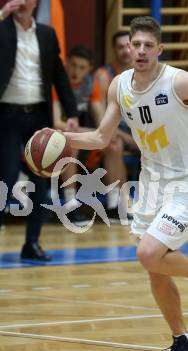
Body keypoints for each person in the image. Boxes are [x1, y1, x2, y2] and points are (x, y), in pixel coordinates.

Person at [43, 16, 188, 351]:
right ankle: (183, 339)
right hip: (150, 183)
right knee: (156, 268)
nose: (142, 51)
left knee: (148, 253)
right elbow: (102, 137)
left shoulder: (178, 82)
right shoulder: (120, 85)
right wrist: (61, 137)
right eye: (137, 45)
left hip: (187, 181)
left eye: (149, 45)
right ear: (128, 48)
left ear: (159, 50)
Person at [0, 0, 78, 260]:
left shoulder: (46, 33)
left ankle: (31, 243)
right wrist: (2, 15)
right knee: (7, 177)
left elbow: (59, 75)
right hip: (7, 116)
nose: (22, 2)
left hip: (37, 117)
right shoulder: (2, 28)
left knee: (40, 180)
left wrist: (72, 112)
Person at [53, 45, 131, 224]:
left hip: (78, 133)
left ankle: (113, 206)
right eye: (73, 65)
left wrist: (106, 134)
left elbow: (101, 119)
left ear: (89, 69)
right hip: (51, 140)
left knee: (114, 144)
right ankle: (71, 206)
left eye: (82, 67)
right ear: (66, 64)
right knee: (72, 144)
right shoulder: (56, 82)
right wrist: (96, 134)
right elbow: (57, 122)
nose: (76, 71)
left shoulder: (90, 84)